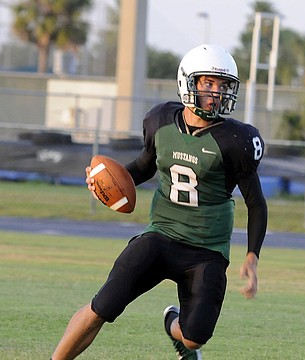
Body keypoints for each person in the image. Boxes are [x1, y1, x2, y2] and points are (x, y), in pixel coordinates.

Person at [51, 44, 268, 360]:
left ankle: (172, 324)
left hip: (206, 250)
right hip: (160, 237)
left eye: (223, 86)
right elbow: (142, 168)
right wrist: (103, 180)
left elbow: (256, 203)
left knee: (194, 338)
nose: (216, 93)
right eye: (208, 83)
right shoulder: (160, 121)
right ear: (188, 82)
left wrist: (252, 255)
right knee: (103, 306)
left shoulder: (237, 141)